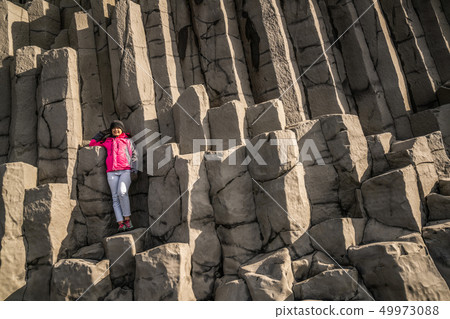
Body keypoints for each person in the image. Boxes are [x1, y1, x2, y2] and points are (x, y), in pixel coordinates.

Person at [89, 120, 138, 232]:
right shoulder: (107, 140)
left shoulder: (127, 140)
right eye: (113, 128)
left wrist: (134, 170)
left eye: (118, 128)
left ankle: (127, 219)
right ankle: (120, 223)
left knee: (122, 192)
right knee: (115, 197)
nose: (116, 130)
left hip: (125, 170)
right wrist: (102, 133)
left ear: (122, 129)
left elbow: (135, 155)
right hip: (111, 172)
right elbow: (92, 143)